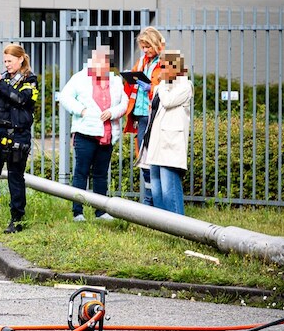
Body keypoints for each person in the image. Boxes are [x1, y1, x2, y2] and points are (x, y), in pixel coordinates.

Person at [60, 45, 128, 221]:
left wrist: (113, 112)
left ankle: (100, 211)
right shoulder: (80, 78)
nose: (101, 65)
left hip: (107, 134)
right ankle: (78, 212)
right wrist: (80, 110)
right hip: (85, 133)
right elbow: (65, 97)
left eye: (105, 61)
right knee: (81, 172)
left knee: (100, 173)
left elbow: (124, 103)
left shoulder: (115, 80)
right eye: (97, 60)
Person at [0, 44, 39, 235]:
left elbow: (20, 99)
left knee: (15, 178)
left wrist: (0, 83)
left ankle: (17, 219)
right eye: (5, 61)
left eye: (10, 61)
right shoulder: (1, 78)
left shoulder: (30, 80)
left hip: (18, 135)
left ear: (21, 59)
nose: (7, 65)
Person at [138, 51, 193, 215]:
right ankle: (164, 227)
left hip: (170, 145)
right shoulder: (163, 87)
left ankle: (179, 228)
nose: (160, 70)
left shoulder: (185, 86)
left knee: (170, 189)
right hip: (156, 144)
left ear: (174, 67)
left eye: (163, 66)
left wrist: (160, 86)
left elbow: (168, 102)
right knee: (157, 189)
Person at [123, 27, 166, 206]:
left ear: (156, 43)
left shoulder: (167, 61)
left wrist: (152, 88)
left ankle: (156, 201)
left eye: (148, 46)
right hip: (141, 116)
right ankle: (149, 200)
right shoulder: (142, 62)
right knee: (143, 159)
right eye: (143, 47)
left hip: (155, 116)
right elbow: (132, 84)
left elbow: (171, 89)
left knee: (156, 159)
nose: (145, 50)